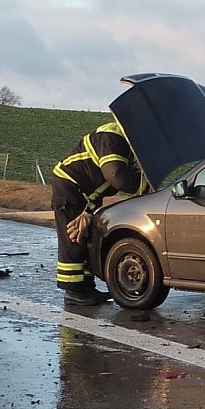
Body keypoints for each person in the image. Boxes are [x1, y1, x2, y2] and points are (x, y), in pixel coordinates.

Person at [51, 121, 148, 305]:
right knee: (73, 237)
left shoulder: (124, 143)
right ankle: (73, 291)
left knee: (88, 237)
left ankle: (86, 287)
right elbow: (115, 176)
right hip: (70, 188)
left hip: (87, 194)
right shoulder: (112, 136)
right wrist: (143, 185)